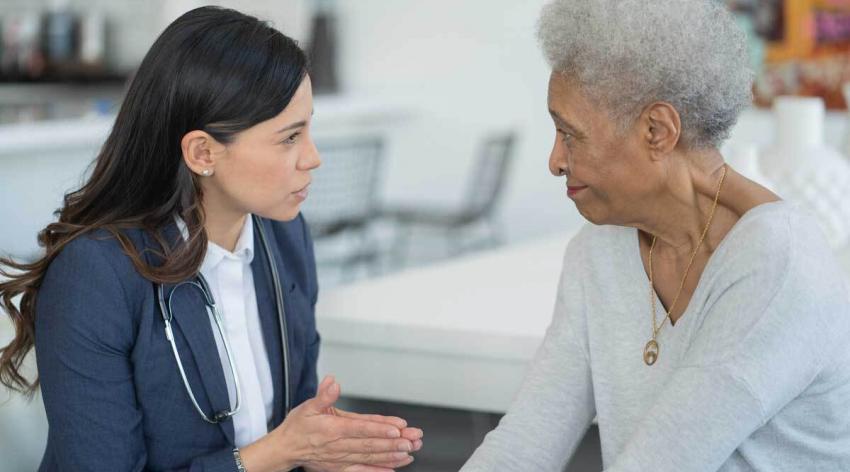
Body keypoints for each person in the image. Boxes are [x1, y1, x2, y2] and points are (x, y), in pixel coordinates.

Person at [0, 7, 422, 472]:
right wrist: (278, 454)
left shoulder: (284, 237)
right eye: (290, 138)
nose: (313, 157)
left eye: (309, 128)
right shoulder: (96, 274)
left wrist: (325, 450)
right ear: (202, 151)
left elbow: (292, 424)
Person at [462, 1, 850, 470]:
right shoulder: (597, 253)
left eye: (571, 134)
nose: (555, 160)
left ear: (657, 131)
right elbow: (524, 444)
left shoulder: (779, 262)